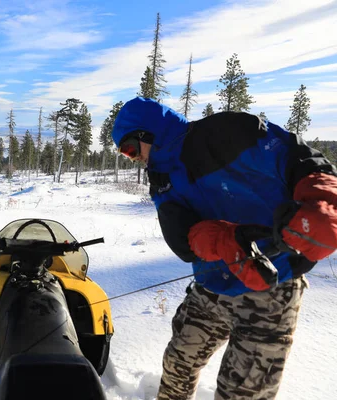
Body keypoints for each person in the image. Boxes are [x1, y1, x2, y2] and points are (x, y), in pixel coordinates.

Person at [110, 96, 337, 400]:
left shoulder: (226, 132)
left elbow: (294, 156)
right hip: (212, 285)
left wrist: (321, 196)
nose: (133, 158)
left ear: (147, 133)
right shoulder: (160, 176)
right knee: (177, 365)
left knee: (241, 393)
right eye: (126, 155)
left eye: (130, 149)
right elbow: (179, 235)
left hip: (270, 285)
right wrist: (218, 240)